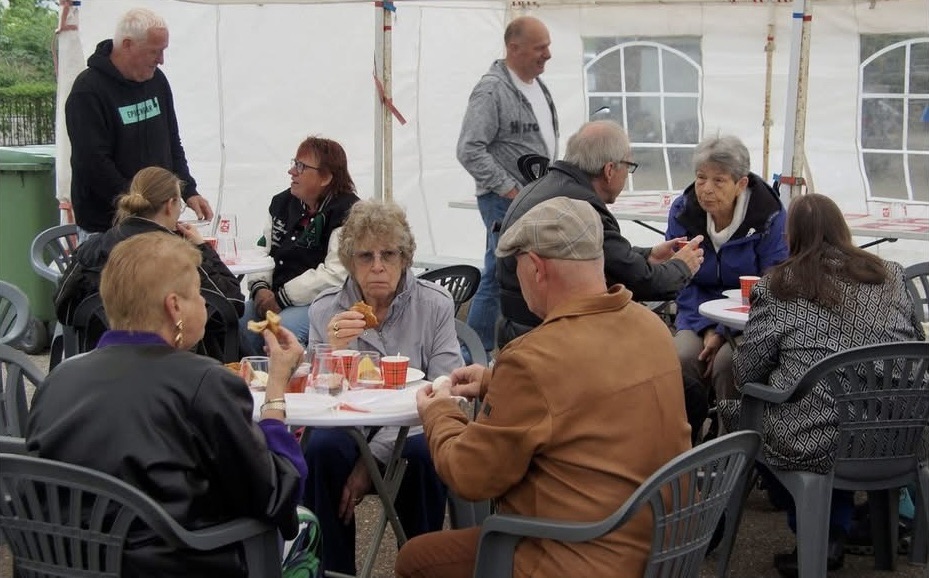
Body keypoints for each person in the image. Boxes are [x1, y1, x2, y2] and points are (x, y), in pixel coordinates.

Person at [395, 197, 692, 578]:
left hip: (574, 554)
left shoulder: (533, 358)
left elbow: (470, 474)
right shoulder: (648, 326)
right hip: (665, 545)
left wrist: (439, 412)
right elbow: (586, 393)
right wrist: (493, 383)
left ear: (535, 268)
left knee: (414, 560)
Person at [27, 232, 307, 577]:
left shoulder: (58, 380)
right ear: (174, 306)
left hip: (60, 566)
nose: (206, 305)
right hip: (171, 566)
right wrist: (276, 394)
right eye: (198, 295)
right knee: (307, 529)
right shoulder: (203, 381)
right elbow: (276, 496)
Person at [717, 194, 924, 577]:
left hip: (819, 437)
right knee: (827, 408)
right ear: (842, 228)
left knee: (758, 417)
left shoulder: (780, 283)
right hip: (899, 428)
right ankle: (845, 526)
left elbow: (747, 374)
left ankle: (823, 529)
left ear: (790, 234)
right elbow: (912, 340)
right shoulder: (890, 274)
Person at [303, 200, 462, 576]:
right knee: (322, 450)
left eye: (388, 254)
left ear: (405, 258)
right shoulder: (325, 310)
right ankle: (332, 571)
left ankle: (421, 565)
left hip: (416, 421)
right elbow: (315, 399)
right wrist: (331, 355)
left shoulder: (434, 305)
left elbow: (445, 390)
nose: (378, 266)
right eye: (365, 256)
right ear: (349, 262)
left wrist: (370, 460)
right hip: (349, 424)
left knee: (426, 453)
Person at [497, 120, 703, 348]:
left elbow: (601, 254)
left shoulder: (545, 186)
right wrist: (683, 266)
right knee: (656, 350)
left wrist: (648, 255)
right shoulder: (581, 207)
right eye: (629, 166)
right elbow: (641, 282)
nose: (627, 175)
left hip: (518, 324)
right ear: (609, 170)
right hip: (549, 335)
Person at [53, 166, 244, 356]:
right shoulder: (177, 254)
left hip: (100, 362)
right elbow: (231, 305)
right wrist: (202, 247)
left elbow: (65, 310)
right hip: (176, 368)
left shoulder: (90, 249)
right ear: (171, 205)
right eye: (181, 206)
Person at [457, 15, 559, 357]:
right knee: (500, 276)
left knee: (520, 275)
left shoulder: (535, 85)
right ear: (513, 48)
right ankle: (475, 354)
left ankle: (512, 351)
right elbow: (469, 148)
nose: (547, 55)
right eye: (539, 48)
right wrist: (510, 189)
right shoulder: (492, 90)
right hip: (506, 202)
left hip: (531, 199)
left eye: (547, 46)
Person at [66, 7, 212, 236]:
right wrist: (142, 208)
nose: (161, 60)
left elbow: (172, 142)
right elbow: (94, 164)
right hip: (107, 226)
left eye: (164, 51)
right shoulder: (88, 91)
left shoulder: (157, 81)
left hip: (155, 220)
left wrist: (189, 190)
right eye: (155, 51)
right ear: (127, 44)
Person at [666, 135, 788, 408]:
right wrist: (708, 326)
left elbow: (774, 283)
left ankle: (730, 441)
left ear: (740, 184)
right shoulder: (683, 212)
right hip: (696, 310)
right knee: (683, 357)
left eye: (718, 180)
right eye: (700, 178)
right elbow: (676, 275)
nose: (706, 189)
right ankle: (690, 437)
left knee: (729, 362)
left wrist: (722, 330)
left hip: (751, 317)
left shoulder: (769, 216)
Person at [240, 136, 360, 354]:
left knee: (282, 330)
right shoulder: (281, 203)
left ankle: (286, 384)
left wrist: (282, 298)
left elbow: (336, 273)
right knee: (237, 321)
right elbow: (262, 252)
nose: (292, 171)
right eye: (294, 163)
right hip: (273, 296)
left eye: (301, 166)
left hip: (323, 303)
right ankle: (254, 383)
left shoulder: (347, 212)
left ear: (325, 177)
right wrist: (260, 289)